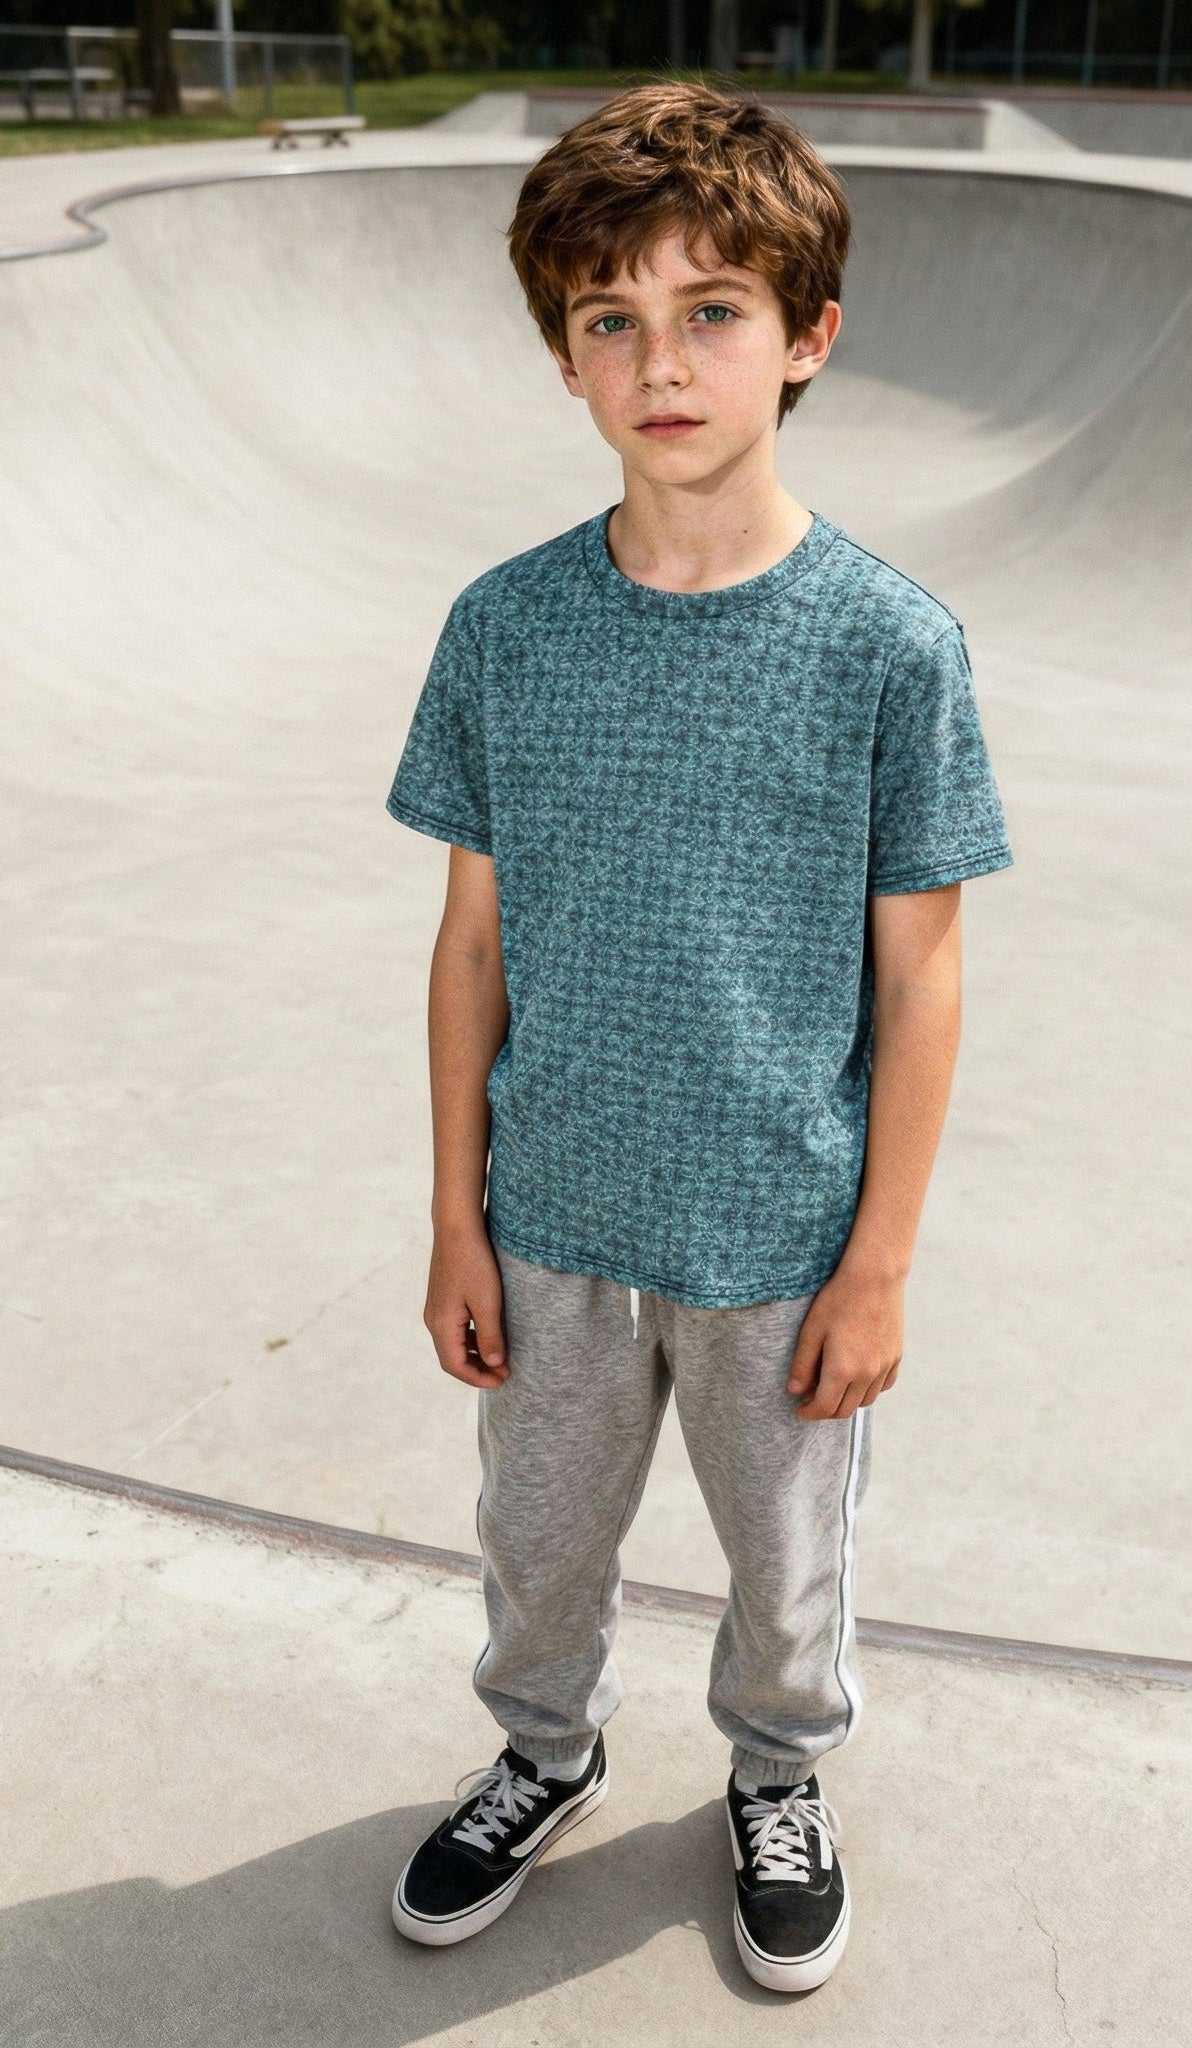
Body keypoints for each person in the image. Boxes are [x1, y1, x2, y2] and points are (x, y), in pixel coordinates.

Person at [384, 79, 1013, 1994]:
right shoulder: (506, 627)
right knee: (539, 1542)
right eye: (609, 319)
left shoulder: (889, 646)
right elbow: (468, 942)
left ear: (805, 335)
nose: (662, 359)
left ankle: (776, 1777)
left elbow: (919, 976)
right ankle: (545, 1753)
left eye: (711, 309)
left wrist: (879, 1262)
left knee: (785, 1565)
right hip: (554, 1212)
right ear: (565, 358)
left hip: (775, 1236)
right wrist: (453, 1213)